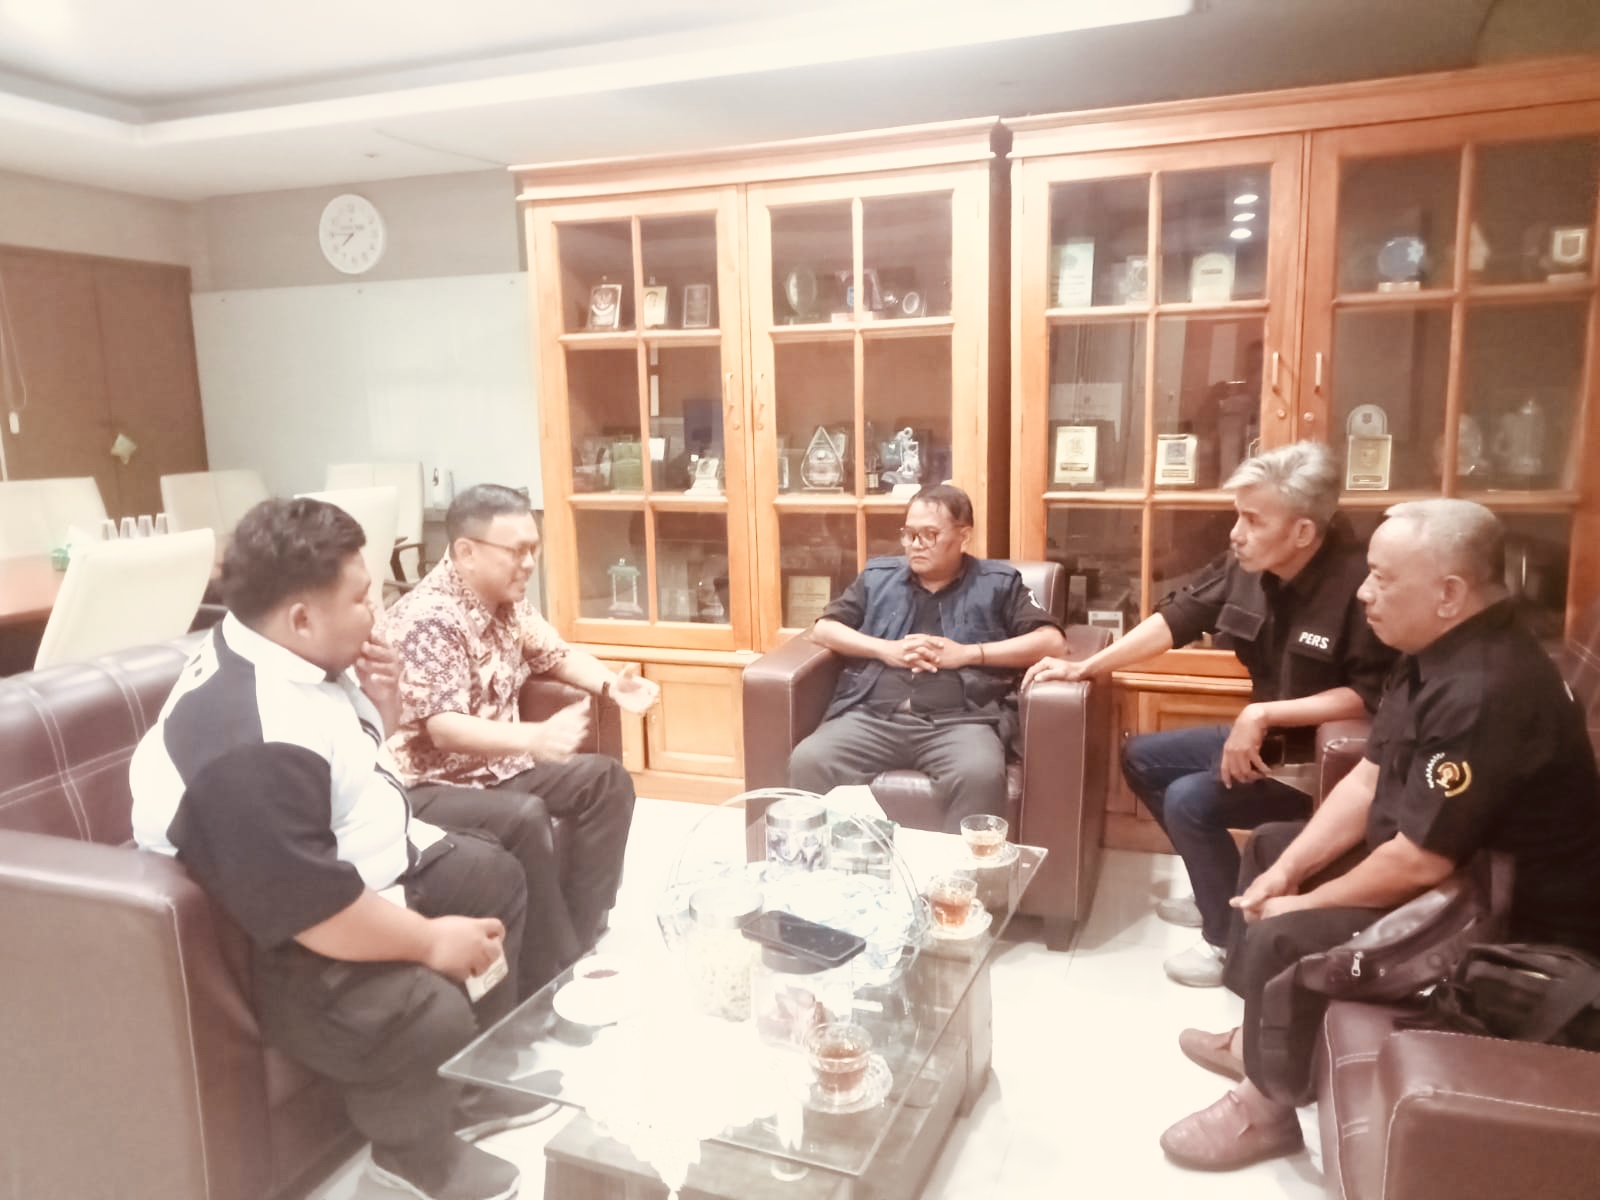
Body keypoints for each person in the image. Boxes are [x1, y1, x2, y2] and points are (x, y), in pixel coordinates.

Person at [1161, 498, 1600, 1171]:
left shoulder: (1486, 688)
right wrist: (1287, 874)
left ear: (1449, 593)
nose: (1364, 592)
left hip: (1503, 915)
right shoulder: (1432, 650)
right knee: (1273, 847)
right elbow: (1369, 778)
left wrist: (1302, 903)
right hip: (1447, 862)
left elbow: (1421, 862)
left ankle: (1266, 1109)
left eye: (1383, 578)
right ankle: (1258, 1040)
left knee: (1288, 931)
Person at [130, 497, 534, 1200]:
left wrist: (380, 701)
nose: (377, 614)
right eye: (362, 599)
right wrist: (431, 941)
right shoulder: (248, 743)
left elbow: (346, 766)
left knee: (493, 879)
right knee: (425, 1007)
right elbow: (311, 908)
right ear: (301, 617)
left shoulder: (288, 651)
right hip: (280, 946)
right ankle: (412, 1157)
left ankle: (468, 1089)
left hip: (348, 865)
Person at [1024, 442, 1394, 986]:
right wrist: (1086, 667)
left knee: (1189, 799)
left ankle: (1225, 942)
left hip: (1321, 768)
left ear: (1302, 533)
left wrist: (1263, 714)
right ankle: (1221, 894)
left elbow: (1371, 696)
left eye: (1252, 520)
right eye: (1237, 516)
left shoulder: (1358, 586)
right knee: (1142, 757)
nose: (1235, 533)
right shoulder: (1248, 565)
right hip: (1267, 741)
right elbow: (1176, 618)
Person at [379, 484, 653, 996]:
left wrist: (610, 685)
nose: (529, 563)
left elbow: (556, 654)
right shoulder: (428, 619)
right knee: (525, 815)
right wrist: (533, 736)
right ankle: (553, 974)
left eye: (534, 548)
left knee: (606, 781)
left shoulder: (508, 601)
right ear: (466, 552)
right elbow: (443, 726)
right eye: (517, 551)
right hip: (430, 786)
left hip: (497, 770)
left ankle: (581, 938)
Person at [787, 483, 1067, 833]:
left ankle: (957, 869)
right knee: (810, 759)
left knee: (979, 774)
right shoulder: (878, 578)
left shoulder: (998, 583)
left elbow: (1052, 642)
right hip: (874, 717)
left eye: (929, 535)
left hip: (961, 721)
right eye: (909, 534)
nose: (915, 544)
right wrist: (884, 649)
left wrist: (968, 654)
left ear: (963, 536)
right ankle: (828, 863)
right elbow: (824, 629)